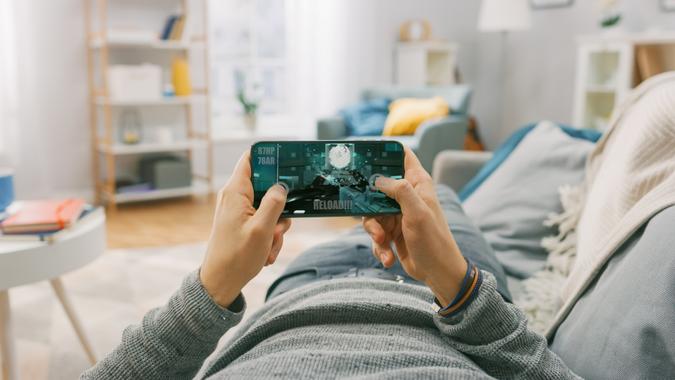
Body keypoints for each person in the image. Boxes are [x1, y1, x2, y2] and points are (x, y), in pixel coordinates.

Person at [81, 147, 579, 379]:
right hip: (449, 301)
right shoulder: (451, 281)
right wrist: (455, 279)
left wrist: (214, 285)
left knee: (399, 204)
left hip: (306, 286)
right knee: (439, 194)